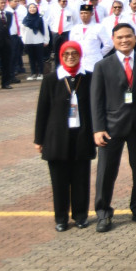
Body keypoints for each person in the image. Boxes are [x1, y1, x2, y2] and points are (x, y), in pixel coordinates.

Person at [91, 23, 136, 232]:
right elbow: (96, 100)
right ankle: (103, 212)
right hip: (111, 126)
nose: (124, 40)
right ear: (113, 39)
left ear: (135, 38)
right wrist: (98, 128)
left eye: (128, 36)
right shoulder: (103, 65)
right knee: (106, 171)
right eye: (120, 37)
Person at [34, 41, 95, 231]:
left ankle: (80, 215)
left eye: (74, 53)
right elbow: (42, 110)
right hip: (57, 137)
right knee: (59, 180)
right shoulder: (51, 79)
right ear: (60, 56)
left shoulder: (89, 78)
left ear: (80, 55)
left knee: (81, 179)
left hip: (82, 136)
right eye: (66, 54)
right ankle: (61, 218)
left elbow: (94, 108)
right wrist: (39, 139)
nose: (70, 57)